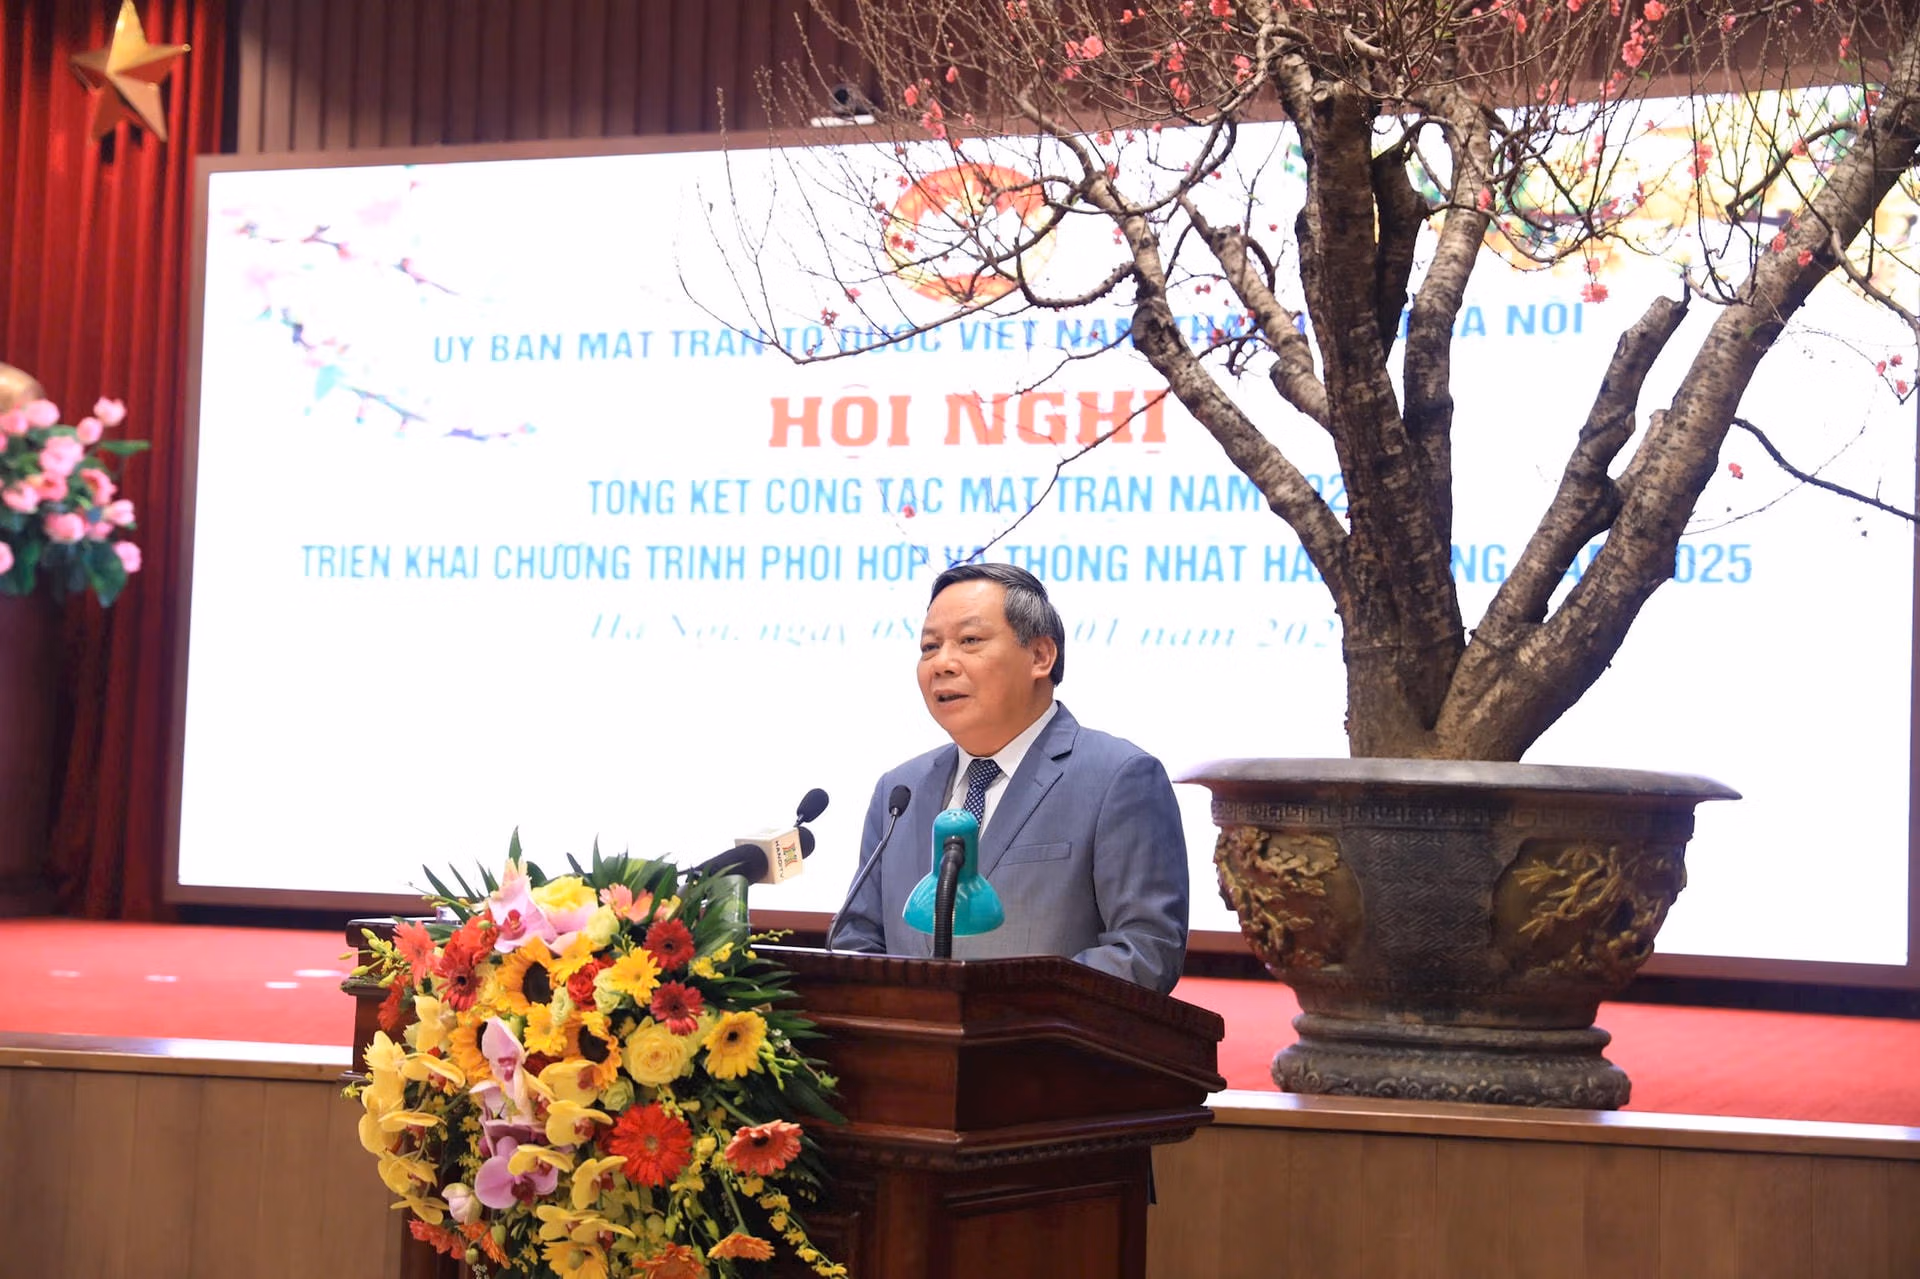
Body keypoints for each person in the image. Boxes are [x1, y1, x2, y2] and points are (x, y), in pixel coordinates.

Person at [831, 562, 1189, 993]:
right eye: (929, 646)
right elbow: (856, 940)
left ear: (1040, 656)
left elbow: (1144, 953)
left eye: (970, 641)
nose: (942, 663)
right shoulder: (899, 792)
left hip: (1045, 1037)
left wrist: (1000, 1011)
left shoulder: (1119, 779)